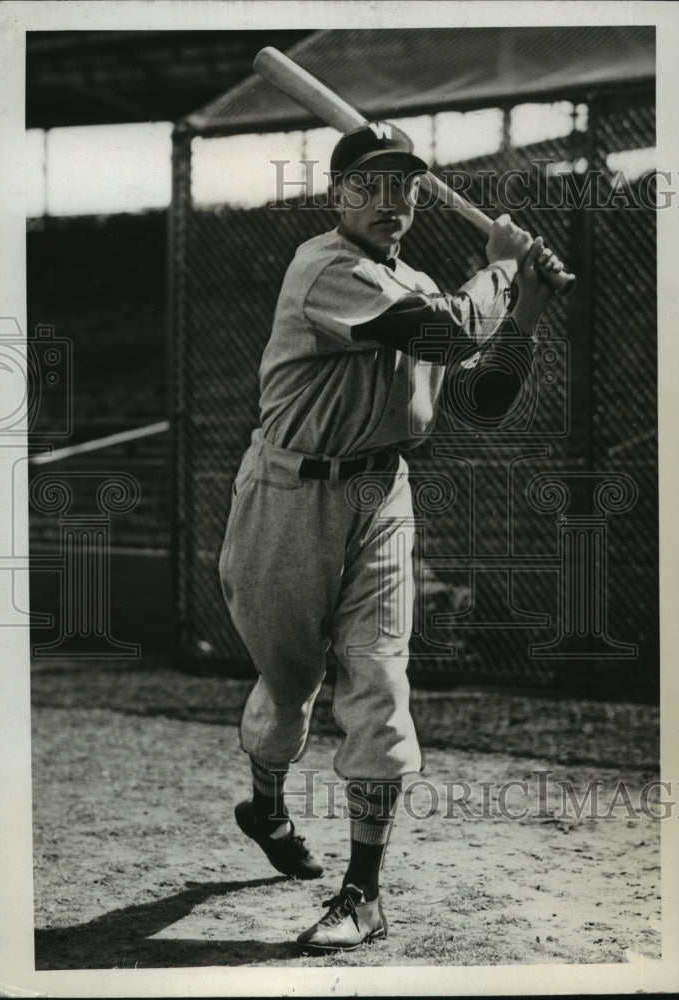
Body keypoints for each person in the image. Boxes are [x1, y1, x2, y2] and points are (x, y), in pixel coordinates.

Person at [218, 121, 564, 951]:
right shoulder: (325, 269)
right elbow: (443, 332)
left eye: (404, 183)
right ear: (336, 195)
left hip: (382, 496)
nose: (391, 199)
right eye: (369, 183)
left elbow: (477, 402)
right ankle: (266, 802)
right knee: (289, 685)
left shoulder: (419, 284)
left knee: (379, 684)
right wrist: (505, 272)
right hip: (286, 497)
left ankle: (362, 892)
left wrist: (525, 320)